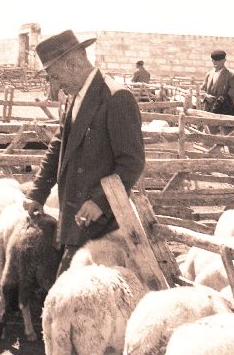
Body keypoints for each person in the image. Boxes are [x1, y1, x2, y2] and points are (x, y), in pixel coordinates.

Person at [23, 30, 146, 276]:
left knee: (73, 289)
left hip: (103, 222)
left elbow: (131, 163)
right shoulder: (73, 98)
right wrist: (38, 191)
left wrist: (100, 202)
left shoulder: (116, 98)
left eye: (55, 77)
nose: (55, 85)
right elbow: (60, 145)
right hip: (75, 214)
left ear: (74, 63)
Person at [200, 50, 234, 116]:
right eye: (214, 60)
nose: (215, 63)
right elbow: (202, 90)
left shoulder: (231, 75)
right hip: (207, 109)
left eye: (218, 61)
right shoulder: (209, 74)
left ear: (224, 60)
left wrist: (219, 101)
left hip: (223, 110)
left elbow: (233, 92)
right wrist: (206, 96)